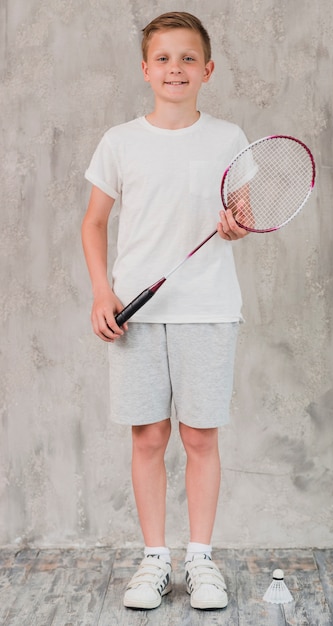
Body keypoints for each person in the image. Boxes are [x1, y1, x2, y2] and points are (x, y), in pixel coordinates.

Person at [81, 11, 249, 611]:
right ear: (145, 70)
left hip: (208, 311)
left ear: (206, 69)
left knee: (200, 438)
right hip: (138, 314)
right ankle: (155, 560)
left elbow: (242, 215)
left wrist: (236, 227)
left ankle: (200, 559)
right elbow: (94, 222)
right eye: (163, 58)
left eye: (186, 58)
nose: (174, 68)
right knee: (148, 437)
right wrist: (104, 292)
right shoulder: (120, 141)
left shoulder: (230, 138)